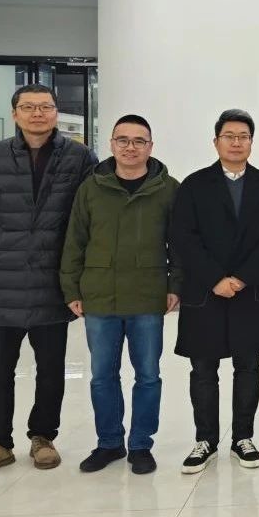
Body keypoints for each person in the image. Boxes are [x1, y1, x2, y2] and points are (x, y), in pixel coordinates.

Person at [0, 84, 98, 482]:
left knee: (51, 368)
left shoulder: (80, 157)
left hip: (53, 279)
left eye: (46, 107)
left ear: (56, 112)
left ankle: (43, 437)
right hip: (1, 276)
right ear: (15, 113)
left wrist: (81, 278)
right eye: (29, 107)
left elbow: (88, 221)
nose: (38, 114)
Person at [60, 114, 181, 475]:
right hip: (100, 296)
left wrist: (175, 286)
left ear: (150, 146)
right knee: (102, 376)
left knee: (148, 375)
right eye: (123, 140)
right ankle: (109, 442)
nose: (131, 147)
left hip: (147, 296)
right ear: (111, 144)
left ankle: (141, 445)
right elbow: (74, 241)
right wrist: (71, 288)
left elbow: (180, 245)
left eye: (139, 141)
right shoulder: (91, 188)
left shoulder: (167, 188)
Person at [171, 109, 259, 474]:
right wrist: (216, 278)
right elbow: (183, 237)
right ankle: (205, 440)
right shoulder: (194, 185)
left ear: (251, 142)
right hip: (206, 292)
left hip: (249, 292)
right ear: (216, 141)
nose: (236, 142)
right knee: (203, 369)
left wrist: (242, 278)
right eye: (229, 136)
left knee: (248, 367)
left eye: (243, 136)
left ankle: (243, 438)